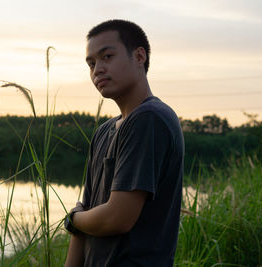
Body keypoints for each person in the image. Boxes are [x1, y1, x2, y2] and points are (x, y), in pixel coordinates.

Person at [64, 19, 184, 266]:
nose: (97, 69)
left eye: (107, 56)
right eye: (91, 63)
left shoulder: (149, 119)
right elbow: (85, 208)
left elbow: (117, 218)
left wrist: (73, 219)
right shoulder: (104, 131)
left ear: (140, 56)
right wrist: (77, 220)